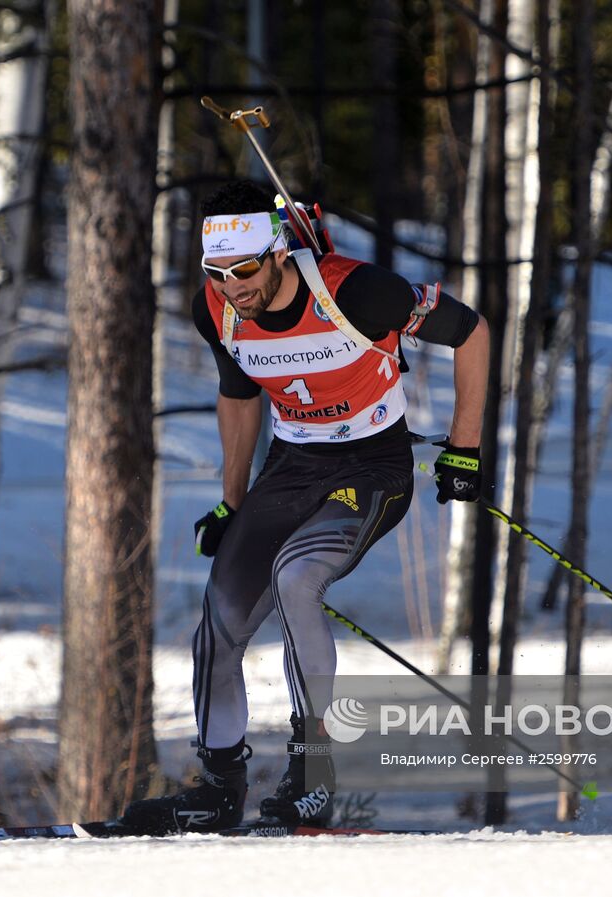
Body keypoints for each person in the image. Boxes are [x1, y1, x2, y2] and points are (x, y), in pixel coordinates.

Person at [120, 180, 489, 834]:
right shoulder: (219, 308)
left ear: (279, 253)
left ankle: (313, 769)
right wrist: (233, 504)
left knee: (297, 573)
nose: (233, 286)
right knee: (221, 618)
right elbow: (238, 393)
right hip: (292, 467)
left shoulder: (354, 290)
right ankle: (218, 787)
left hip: (373, 467)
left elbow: (473, 331)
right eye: (217, 272)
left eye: (245, 269)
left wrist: (464, 449)